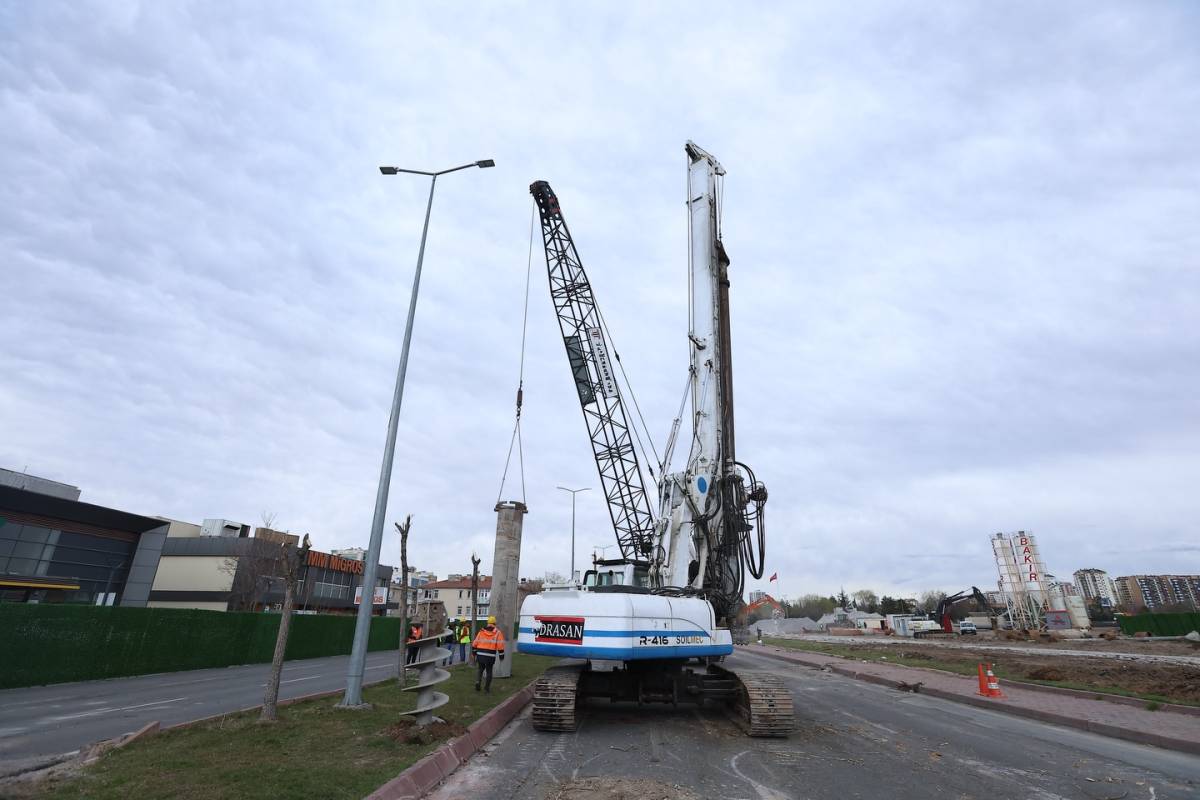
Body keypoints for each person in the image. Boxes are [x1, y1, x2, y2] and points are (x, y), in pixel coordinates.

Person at [472, 615, 505, 692]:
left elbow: (475, 643)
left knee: (480, 669)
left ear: (488, 623)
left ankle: (478, 682)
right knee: (489, 671)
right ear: (494, 623)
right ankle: (486, 688)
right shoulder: (498, 633)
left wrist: (474, 652)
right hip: (490, 655)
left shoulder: (481, 631)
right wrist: (501, 656)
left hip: (480, 654)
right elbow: (500, 645)